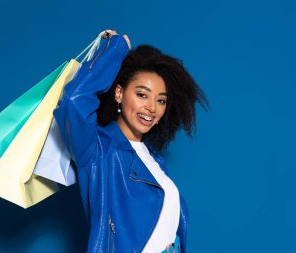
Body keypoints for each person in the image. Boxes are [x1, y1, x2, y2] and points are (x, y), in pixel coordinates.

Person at [53, 30, 209, 253]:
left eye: (161, 100)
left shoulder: (154, 161)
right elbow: (74, 102)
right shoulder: (99, 150)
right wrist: (115, 50)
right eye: (142, 95)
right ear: (119, 93)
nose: (151, 108)